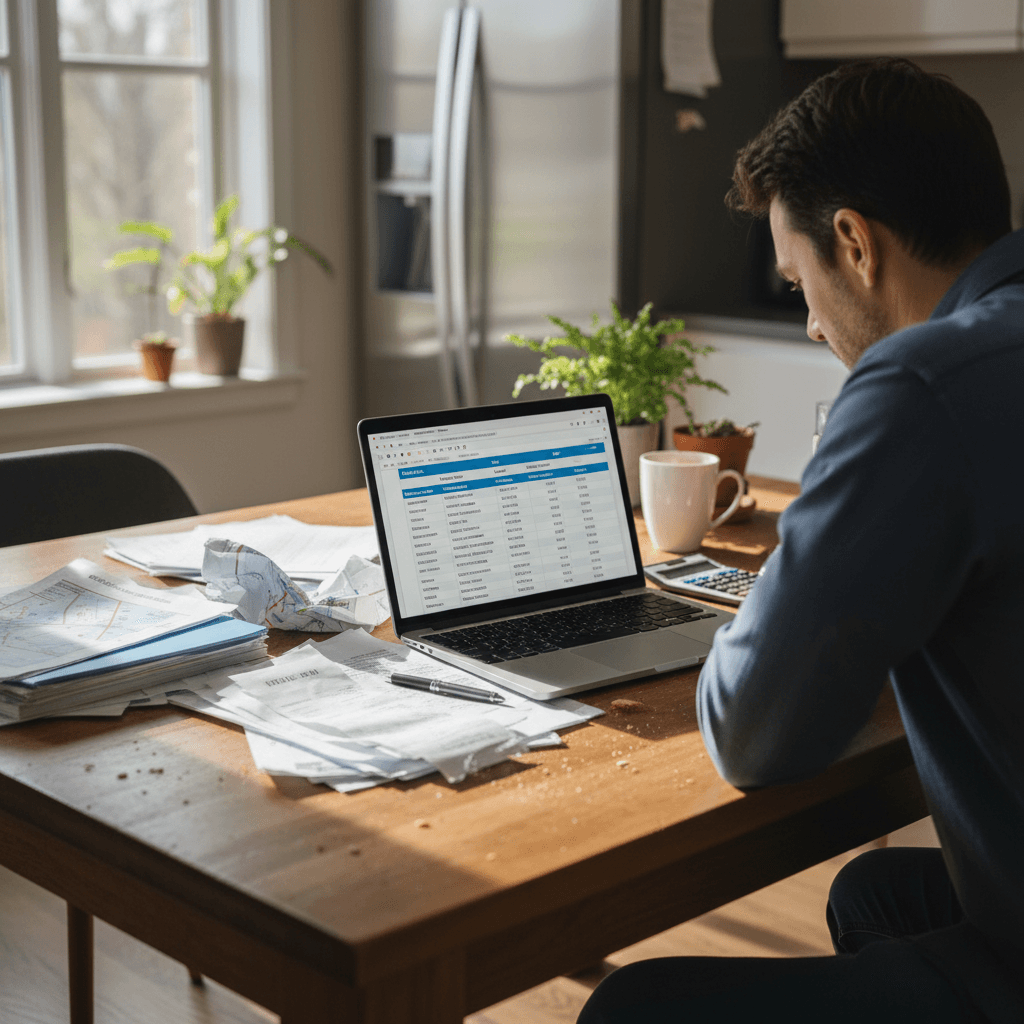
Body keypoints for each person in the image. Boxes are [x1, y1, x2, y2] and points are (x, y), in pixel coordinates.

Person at [579, 57, 1024, 1023]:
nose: (814, 324)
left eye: (799, 283)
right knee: (872, 897)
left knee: (633, 1010)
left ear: (856, 244)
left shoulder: (924, 383)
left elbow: (753, 731)